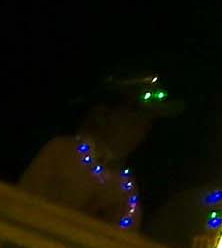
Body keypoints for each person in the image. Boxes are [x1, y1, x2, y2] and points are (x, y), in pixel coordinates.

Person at [15, 76, 171, 230]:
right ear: (101, 116)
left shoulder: (127, 185)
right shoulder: (61, 151)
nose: (139, 134)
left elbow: (126, 240)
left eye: (145, 127)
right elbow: (22, 204)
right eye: (132, 122)